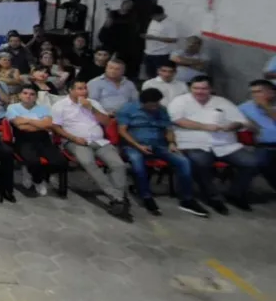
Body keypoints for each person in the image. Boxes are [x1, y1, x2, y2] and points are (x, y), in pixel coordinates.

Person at [168, 76, 257, 213]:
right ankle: (212, 197)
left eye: (204, 88)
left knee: (251, 163)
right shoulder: (180, 101)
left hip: (224, 143)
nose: (200, 91)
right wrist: (204, 126)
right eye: (196, 88)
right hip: (193, 142)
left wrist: (233, 125)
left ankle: (235, 193)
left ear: (211, 89)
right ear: (190, 88)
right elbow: (177, 120)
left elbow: (242, 122)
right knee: (201, 163)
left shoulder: (222, 102)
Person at [117, 88, 208, 217]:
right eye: (152, 105)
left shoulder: (162, 109)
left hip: (159, 145)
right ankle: (146, 196)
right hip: (134, 145)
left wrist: (171, 142)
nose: (155, 107)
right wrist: (138, 146)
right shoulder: (127, 109)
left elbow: (168, 129)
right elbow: (122, 131)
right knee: (138, 164)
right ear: (143, 103)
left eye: (157, 103)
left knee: (184, 162)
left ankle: (187, 199)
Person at [52, 80, 129, 217]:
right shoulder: (60, 105)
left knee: (119, 165)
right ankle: (117, 197)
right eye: (80, 89)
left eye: (85, 88)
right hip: (76, 141)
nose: (84, 92)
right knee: (88, 163)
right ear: (71, 90)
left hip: (100, 141)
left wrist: (91, 109)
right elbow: (56, 127)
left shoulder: (93, 103)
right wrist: (73, 138)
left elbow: (106, 122)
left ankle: (118, 199)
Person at [5, 85, 67, 196]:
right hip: (23, 139)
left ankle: (37, 173)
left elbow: (48, 125)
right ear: (20, 95)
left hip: (43, 139)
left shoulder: (43, 108)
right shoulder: (12, 107)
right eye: (25, 93)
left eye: (32, 94)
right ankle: (38, 180)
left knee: (60, 161)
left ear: (36, 97)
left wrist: (27, 120)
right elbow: (20, 126)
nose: (28, 96)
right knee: (33, 161)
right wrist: (40, 124)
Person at [240, 79, 276, 192]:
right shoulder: (245, 107)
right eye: (253, 92)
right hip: (264, 145)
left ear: (271, 92)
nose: (255, 95)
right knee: (261, 162)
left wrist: (266, 107)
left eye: (259, 91)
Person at [142, 5, 178, 80]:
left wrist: (155, 38)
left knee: (160, 77)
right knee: (150, 76)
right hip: (149, 53)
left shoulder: (170, 23)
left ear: (160, 14)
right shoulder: (153, 21)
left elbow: (174, 39)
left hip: (161, 55)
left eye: (154, 17)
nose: (153, 19)